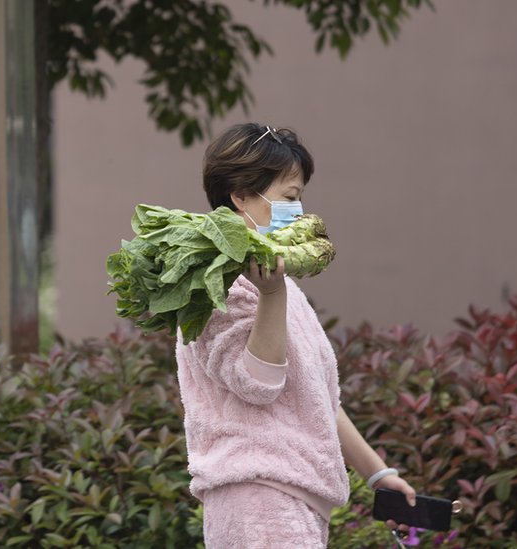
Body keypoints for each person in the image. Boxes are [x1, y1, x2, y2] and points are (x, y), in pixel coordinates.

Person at [175, 123, 417, 548]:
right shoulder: (217, 282)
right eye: (289, 197)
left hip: (284, 498)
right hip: (259, 497)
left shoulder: (274, 283)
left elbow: (317, 395)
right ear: (240, 194)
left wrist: (378, 475)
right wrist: (271, 294)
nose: (299, 211)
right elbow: (258, 383)